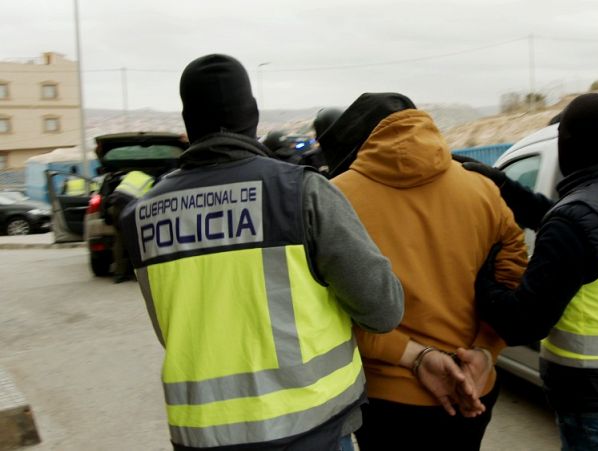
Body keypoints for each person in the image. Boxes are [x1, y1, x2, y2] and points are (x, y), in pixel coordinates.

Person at [119, 54, 404, 451]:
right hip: (312, 430)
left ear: (188, 121)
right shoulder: (300, 192)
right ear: (251, 115)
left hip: (203, 434)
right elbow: (382, 309)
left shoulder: (142, 215)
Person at [465, 93, 598, 450]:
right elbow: (582, 231)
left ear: (566, 144)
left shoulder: (575, 223)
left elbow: (523, 323)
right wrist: (503, 186)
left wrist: (479, 274)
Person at [321, 92, 529, 451]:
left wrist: (413, 354)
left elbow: (328, 309)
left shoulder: (334, 198)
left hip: (386, 398)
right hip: (475, 386)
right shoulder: (482, 189)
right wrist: (485, 350)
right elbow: (513, 275)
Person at [105, 169, 154, 283]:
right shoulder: (150, 181)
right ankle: (138, 272)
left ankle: (119, 274)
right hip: (129, 208)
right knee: (136, 240)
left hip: (114, 206)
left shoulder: (132, 173)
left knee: (119, 240)